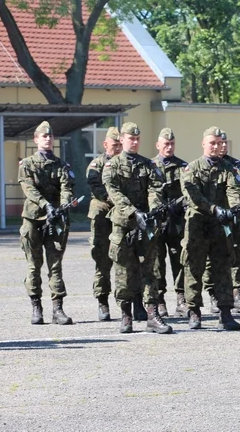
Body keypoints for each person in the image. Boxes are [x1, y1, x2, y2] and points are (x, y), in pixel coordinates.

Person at [102, 122, 171, 334]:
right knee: (123, 271)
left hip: (146, 224)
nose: (134, 142)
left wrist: (152, 211)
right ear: (122, 140)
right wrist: (133, 212)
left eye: (137, 139)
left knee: (150, 270)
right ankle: (126, 315)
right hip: (124, 224)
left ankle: (152, 314)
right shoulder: (111, 165)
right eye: (130, 138)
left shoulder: (148, 165)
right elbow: (114, 192)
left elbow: (155, 189)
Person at [179, 126, 240, 331]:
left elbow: (233, 191)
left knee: (223, 267)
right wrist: (215, 209)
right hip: (198, 224)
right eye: (212, 143)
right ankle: (194, 311)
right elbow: (194, 197)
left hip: (219, 225)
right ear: (203, 144)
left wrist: (233, 210)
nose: (216, 147)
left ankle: (225, 312)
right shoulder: (191, 169)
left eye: (219, 143)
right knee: (193, 268)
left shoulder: (228, 169)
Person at [18, 121, 74, 325]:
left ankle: (57, 309)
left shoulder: (61, 165)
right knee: (34, 265)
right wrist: (45, 205)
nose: (48, 139)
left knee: (55, 264)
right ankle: (36, 307)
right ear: (36, 140)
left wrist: (64, 205)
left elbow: (67, 187)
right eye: (44, 136)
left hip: (55, 219)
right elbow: (29, 189)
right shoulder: (27, 164)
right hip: (34, 218)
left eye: (50, 136)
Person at [201, 131, 240, 316]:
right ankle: (213, 296)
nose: (222, 146)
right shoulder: (202, 165)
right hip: (213, 219)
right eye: (218, 142)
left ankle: (237, 295)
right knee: (211, 261)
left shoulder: (235, 166)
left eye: (224, 142)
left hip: (233, 219)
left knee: (234, 258)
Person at [152, 127, 188, 318]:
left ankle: (181, 299)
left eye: (172, 144)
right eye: (166, 144)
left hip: (176, 223)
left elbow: (189, 192)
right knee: (157, 262)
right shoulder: (150, 166)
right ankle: (159, 300)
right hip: (158, 222)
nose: (169, 147)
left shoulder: (183, 167)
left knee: (179, 261)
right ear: (158, 145)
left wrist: (179, 203)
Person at [87, 126, 121, 321]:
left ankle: (132, 301)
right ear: (105, 144)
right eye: (114, 145)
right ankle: (102, 301)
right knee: (102, 260)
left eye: (119, 145)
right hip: (103, 215)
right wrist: (117, 201)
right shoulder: (96, 164)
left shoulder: (124, 163)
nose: (117, 149)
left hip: (122, 214)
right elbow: (96, 187)